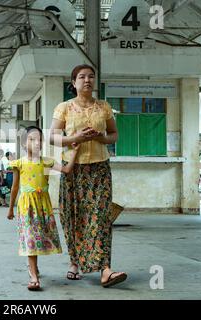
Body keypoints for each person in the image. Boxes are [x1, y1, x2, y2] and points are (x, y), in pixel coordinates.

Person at [49, 64, 127, 288]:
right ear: (73, 83)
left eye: (91, 77)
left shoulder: (104, 107)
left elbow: (114, 135)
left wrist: (101, 137)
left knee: (101, 218)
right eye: (81, 77)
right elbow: (53, 137)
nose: (87, 80)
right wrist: (76, 137)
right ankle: (75, 261)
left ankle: (105, 270)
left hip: (100, 169)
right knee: (73, 217)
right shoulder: (64, 108)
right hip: (73, 169)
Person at [7, 126, 79, 291]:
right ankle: (33, 276)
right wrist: (11, 208)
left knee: (39, 238)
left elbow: (67, 170)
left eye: (39, 139)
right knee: (30, 239)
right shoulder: (19, 164)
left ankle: (33, 269)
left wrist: (74, 151)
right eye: (32, 139)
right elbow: (15, 187)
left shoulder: (47, 162)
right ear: (24, 144)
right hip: (26, 207)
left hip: (42, 207)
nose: (36, 143)